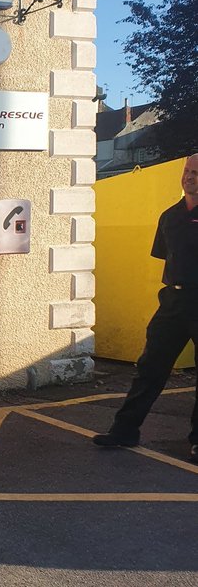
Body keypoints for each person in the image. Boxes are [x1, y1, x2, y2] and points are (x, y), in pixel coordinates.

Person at [94, 153, 198, 458]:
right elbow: (167, 258)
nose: (189, 177)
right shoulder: (170, 216)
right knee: (149, 368)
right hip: (173, 302)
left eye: (196, 172)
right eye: (187, 171)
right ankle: (124, 431)